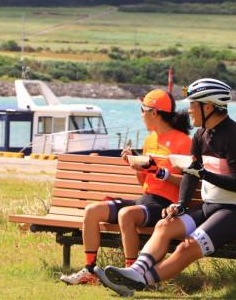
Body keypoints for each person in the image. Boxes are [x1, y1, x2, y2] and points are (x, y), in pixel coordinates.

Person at [100, 78, 236, 295]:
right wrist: (181, 205)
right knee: (164, 226)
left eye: (193, 104)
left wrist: (203, 173)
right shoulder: (201, 134)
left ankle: (140, 281)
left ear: (208, 106)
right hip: (211, 206)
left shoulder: (235, 138)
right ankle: (134, 272)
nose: (189, 110)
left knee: (188, 245)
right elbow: (191, 176)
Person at [59, 89, 192, 295]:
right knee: (92, 211)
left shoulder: (183, 142)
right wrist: (137, 168)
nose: (141, 114)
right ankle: (89, 271)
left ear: (154, 113)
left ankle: (128, 276)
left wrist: (158, 171)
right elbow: (146, 183)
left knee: (126, 214)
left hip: (166, 205)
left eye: (142, 110)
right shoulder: (150, 141)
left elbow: (187, 183)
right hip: (146, 200)